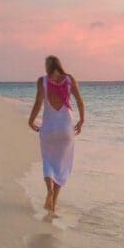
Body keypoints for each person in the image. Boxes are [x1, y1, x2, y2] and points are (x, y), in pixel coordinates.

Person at [27, 55, 85, 217]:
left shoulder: (42, 81)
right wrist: (82, 120)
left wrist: (31, 121)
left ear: (47, 66)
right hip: (66, 128)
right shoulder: (70, 79)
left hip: (48, 129)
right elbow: (80, 102)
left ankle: (49, 192)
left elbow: (38, 104)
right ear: (59, 65)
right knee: (62, 165)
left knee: (47, 160)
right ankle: (54, 201)